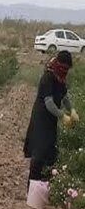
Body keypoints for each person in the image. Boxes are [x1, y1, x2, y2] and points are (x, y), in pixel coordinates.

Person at [24, 51, 78, 183]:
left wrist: (72, 110)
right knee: (39, 150)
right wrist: (63, 116)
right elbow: (49, 103)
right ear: (59, 65)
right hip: (41, 118)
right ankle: (32, 186)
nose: (66, 71)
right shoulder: (47, 78)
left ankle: (44, 183)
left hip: (51, 119)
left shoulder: (60, 78)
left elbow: (64, 97)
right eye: (65, 68)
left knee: (50, 149)